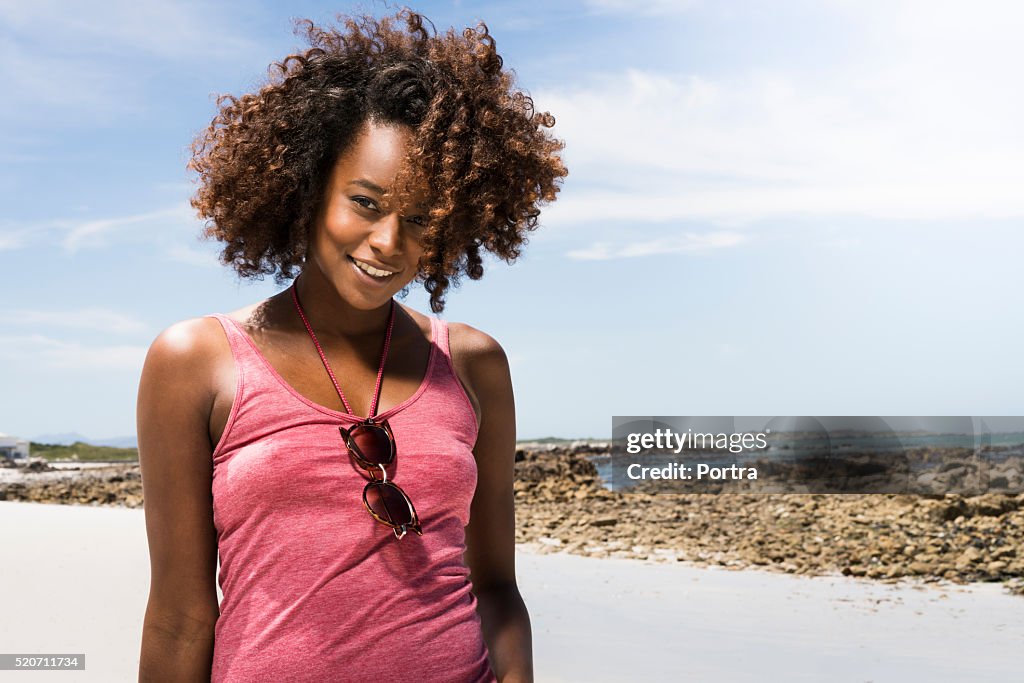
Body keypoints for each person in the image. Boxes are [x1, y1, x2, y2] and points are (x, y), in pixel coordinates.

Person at [136, 9, 566, 682]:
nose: (389, 242)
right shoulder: (196, 361)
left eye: (421, 219)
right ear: (309, 190)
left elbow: (498, 589)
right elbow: (179, 618)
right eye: (365, 202)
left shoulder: (474, 363)